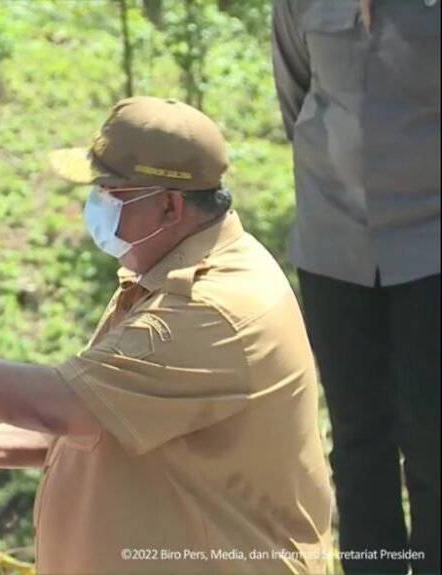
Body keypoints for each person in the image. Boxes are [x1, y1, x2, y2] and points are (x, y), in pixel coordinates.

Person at [0, 97, 334, 573]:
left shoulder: (208, 308)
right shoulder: (169, 271)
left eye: (111, 193)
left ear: (169, 205)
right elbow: (110, 415)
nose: (96, 206)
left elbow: (62, 403)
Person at [272, 1, 440, 572]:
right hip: (333, 242)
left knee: (433, 435)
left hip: (432, 244)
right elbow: (295, 95)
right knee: (357, 438)